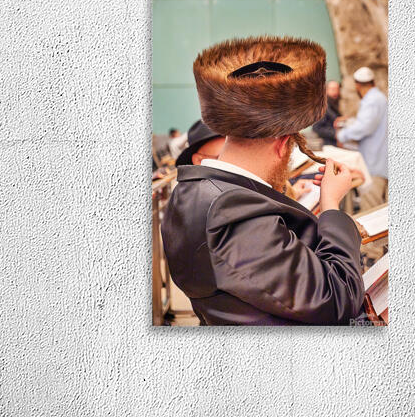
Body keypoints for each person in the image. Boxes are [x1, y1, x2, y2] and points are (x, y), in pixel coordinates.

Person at [160, 36, 368, 326]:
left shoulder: (189, 191)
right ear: (283, 145)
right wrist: (332, 206)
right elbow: (338, 299)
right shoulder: (231, 214)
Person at [336, 66, 388, 212]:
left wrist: (341, 135)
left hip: (374, 164)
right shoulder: (379, 97)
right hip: (380, 162)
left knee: (372, 209)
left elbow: (364, 126)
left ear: (357, 85)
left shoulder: (372, 100)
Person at [311, 80, 341, 145]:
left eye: (337, 89)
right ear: (326, 90)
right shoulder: (322, 107)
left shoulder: (334, 105)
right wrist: (336, 133)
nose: (336, 92)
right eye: (333, 89)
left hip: (335, 144)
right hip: (326, 145)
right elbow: (317, 128)